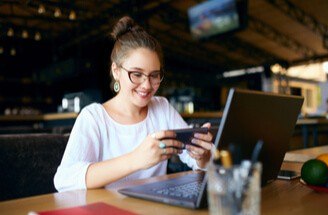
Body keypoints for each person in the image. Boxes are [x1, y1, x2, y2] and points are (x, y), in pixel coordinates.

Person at [54, 16, 213, 192]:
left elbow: (196, 160)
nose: (147, 85)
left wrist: (202, 156)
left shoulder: (161, 107)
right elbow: (65, 180)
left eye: (154, 75)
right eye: (137, 74)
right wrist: (135, 159)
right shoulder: (93, 117)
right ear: (116, 71)